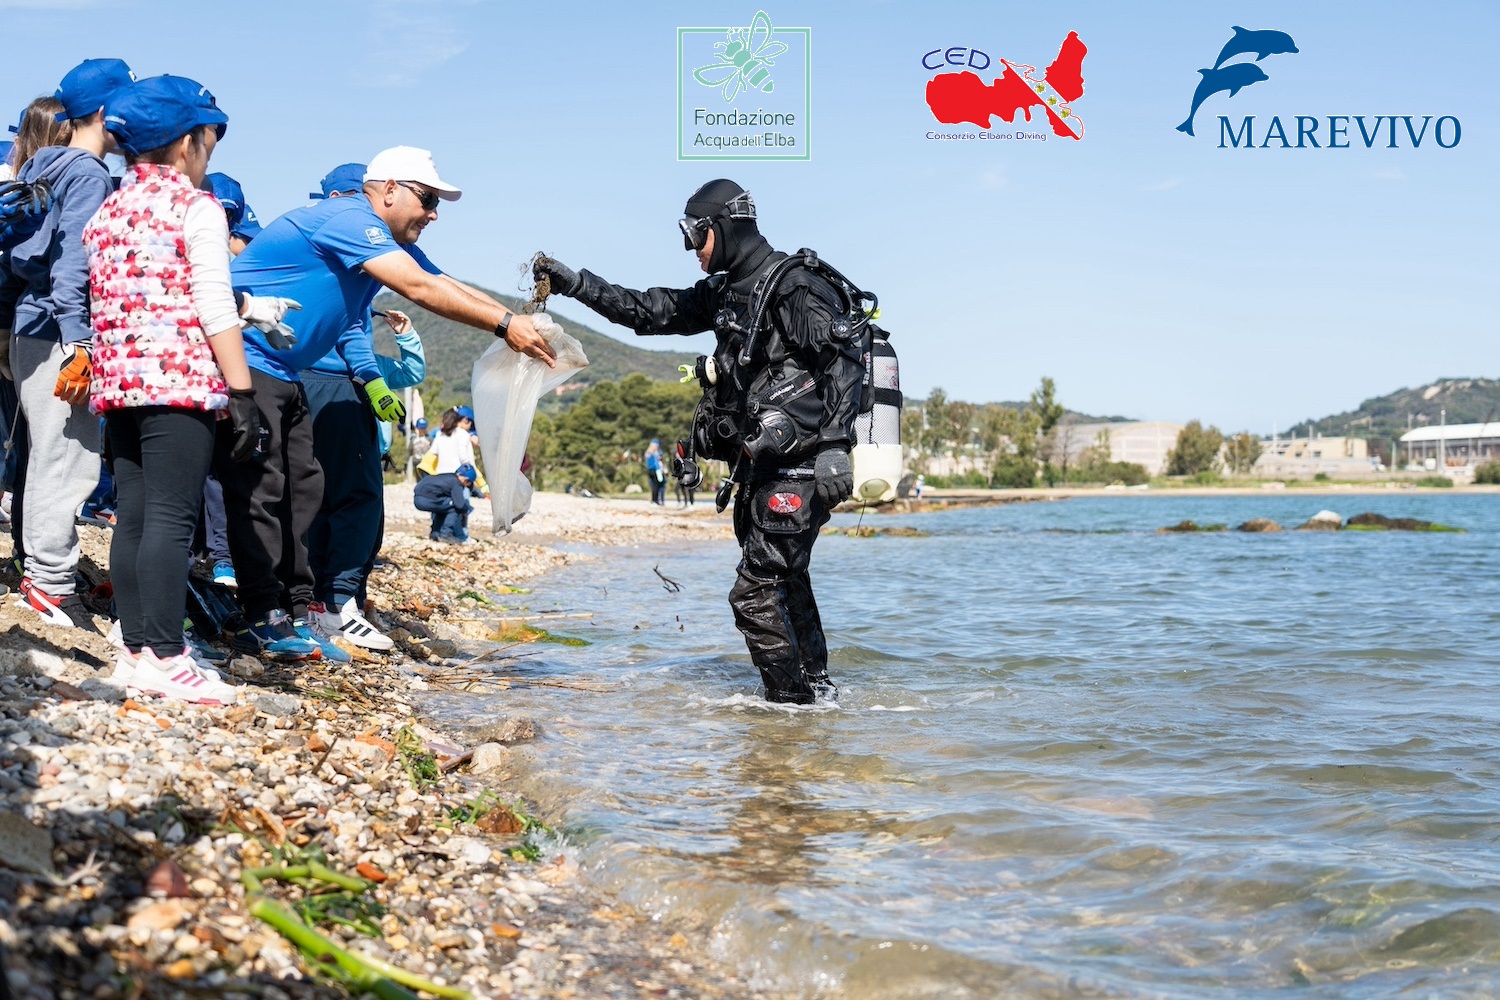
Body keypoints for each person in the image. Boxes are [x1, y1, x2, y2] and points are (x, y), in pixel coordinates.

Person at [534, 179, 864, 704]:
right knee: (784, 581)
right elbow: (648, 311)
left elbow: (843, 361)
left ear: (723, 226)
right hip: (760, 464)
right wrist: (577, 285)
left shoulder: (794, 286)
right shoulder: (724, 292)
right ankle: (817, 697)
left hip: (801, 465)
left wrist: (834, 446)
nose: (692, 249)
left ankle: (789, 714)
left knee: (753, 594)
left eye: (696, 235)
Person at [220, 145, 555, 658]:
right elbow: (418, 289)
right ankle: (263, 615)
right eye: (427, 198)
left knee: (304, 489)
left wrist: (515, 320)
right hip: (247, 359)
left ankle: (298, 610)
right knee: (266, 492)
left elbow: (441, 280)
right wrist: (506, 326)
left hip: (284, 370)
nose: (434, 212)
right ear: (390, 189)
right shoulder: (350, 219)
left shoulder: (374, 230)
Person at [84, 74, 262, 704]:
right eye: (209, 139)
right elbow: (215, 303)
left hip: (119, 383)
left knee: (132, 517)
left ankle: (135, 651)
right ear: (186, 143)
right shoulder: (196, 206)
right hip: (180, 380)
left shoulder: (109, 207)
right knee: (170, 516)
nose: (211, 151)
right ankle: (166, 652)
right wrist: (241, 393)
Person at [0, 59, 135, 629]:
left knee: (40, 456)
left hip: (29, 327)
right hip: (61, 332)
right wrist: (82, 342)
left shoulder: (42, 164)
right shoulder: (88, 173)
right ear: (105, 111)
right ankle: (50, 583)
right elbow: (75, 263)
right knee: (69, 459)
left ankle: (38, 567)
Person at [414, 462, 475, 543]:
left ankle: (435, 534)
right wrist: (467, 509)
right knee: (454, 507)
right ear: (466, 479)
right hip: (426, 499)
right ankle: (446, 534)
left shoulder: (448, 477)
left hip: (418, 498)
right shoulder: (456, 483)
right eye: (469, 483)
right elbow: (459, 505)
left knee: (443, 508)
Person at [428, 405, 475, 474]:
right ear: (466, 420)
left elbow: (433, 451)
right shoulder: (463, 434)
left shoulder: (440, 433)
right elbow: (464, 458)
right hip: (458, 475)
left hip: (440, 474)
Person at [644, 438, 666, 505]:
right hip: (655, 470)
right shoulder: (653, 453)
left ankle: (655, 501)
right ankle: (655, 501)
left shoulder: (648, 452)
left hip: (651, 470)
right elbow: (656, 463)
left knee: (655, 486)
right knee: (656, 486)